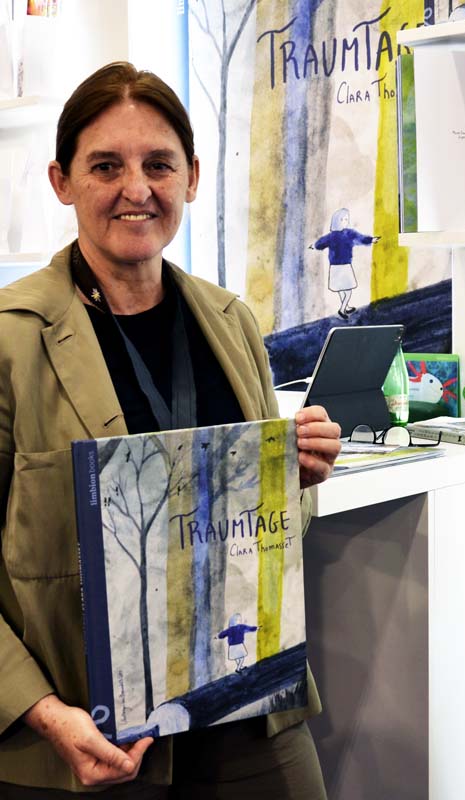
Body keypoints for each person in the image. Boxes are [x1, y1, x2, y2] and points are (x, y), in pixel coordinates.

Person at [0, 62, 341, 798]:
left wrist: (297, 476)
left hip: (248, 707)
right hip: (89, 733)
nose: (137, 188)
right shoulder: (11, 339)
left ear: (191, 177)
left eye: (158, 164)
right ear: (62, 182)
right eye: (106, 166)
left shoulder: (230, 322)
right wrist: (46, 714)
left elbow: (271, 530)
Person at [310, 207, 380, 320]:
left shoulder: (349, 233)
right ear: (336, 221)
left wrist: (371, 240)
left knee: (346, 289)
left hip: (345, 265)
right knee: (344, 289)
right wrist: (314, 246)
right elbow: (320, 243)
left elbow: (361, 238)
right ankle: (342, 309)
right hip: (337, 267)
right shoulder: (332, 236)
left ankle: (345, 307)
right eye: (342, 219)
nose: (345, 221)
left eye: (346, 219)